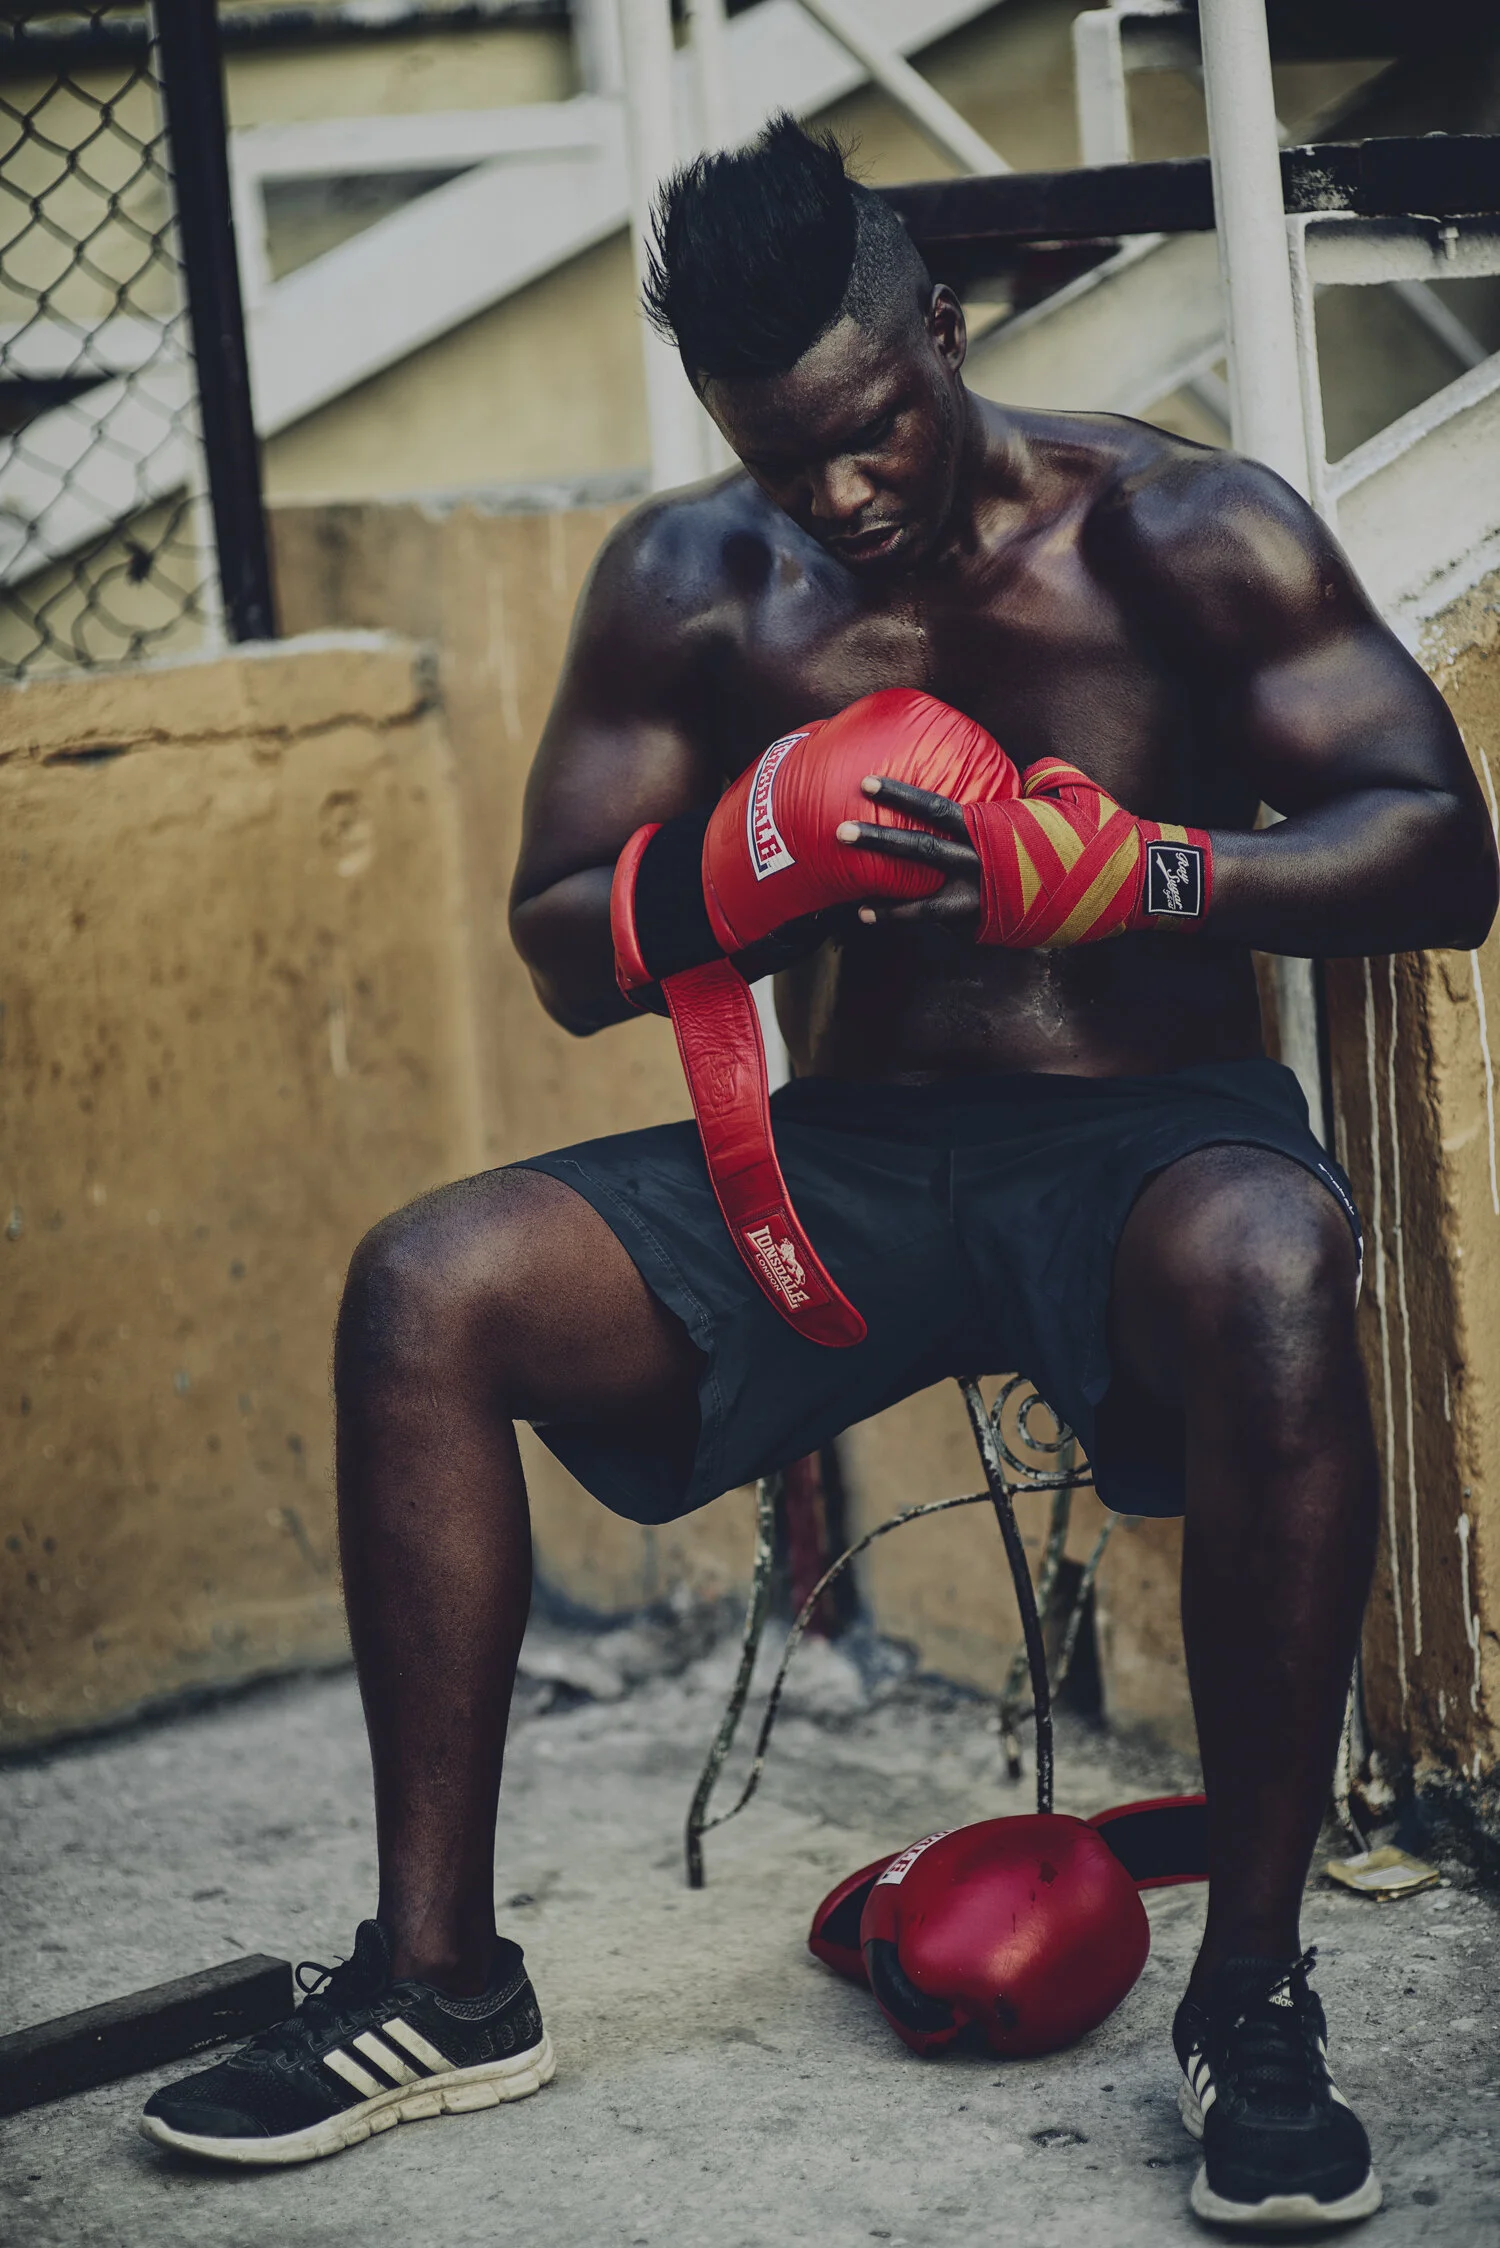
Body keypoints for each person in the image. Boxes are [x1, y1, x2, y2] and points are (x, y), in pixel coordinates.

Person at [142, 118, 1496, 2227]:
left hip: (1142, 1144)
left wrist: (1141, 873)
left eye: (873, 434)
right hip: (850, 1162)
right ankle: (441, 1979)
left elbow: (1439, 843)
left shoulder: (1183, 528)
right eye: (787, 462)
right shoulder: (693, 583)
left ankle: (1250, 1990)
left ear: (942, 329)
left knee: (1273, 1253)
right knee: (428, 1284)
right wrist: (734, 863)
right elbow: (564, 938)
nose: (844, 496)